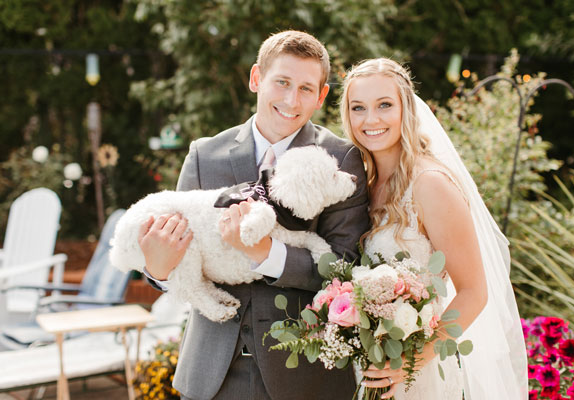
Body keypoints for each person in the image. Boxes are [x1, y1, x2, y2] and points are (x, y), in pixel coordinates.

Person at [138, 31, 370, 400]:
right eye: (282, 82)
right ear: (256, 79)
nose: (292, 99)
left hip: (305, 375)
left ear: (322, 95)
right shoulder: (204, 155)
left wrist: (267, 254)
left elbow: (345, 266)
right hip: (212, 374)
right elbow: (170, 256)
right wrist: (159, 269)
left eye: (306, 88)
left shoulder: (340, 160)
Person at [340, 58, 528, 399]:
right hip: (367, 369)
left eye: (384, 105)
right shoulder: (362, 183)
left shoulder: (429, 184)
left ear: (406, 109)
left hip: (415, 376)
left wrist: (409, 363)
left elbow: (474, 292)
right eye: (358, 108)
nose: (371, 119)